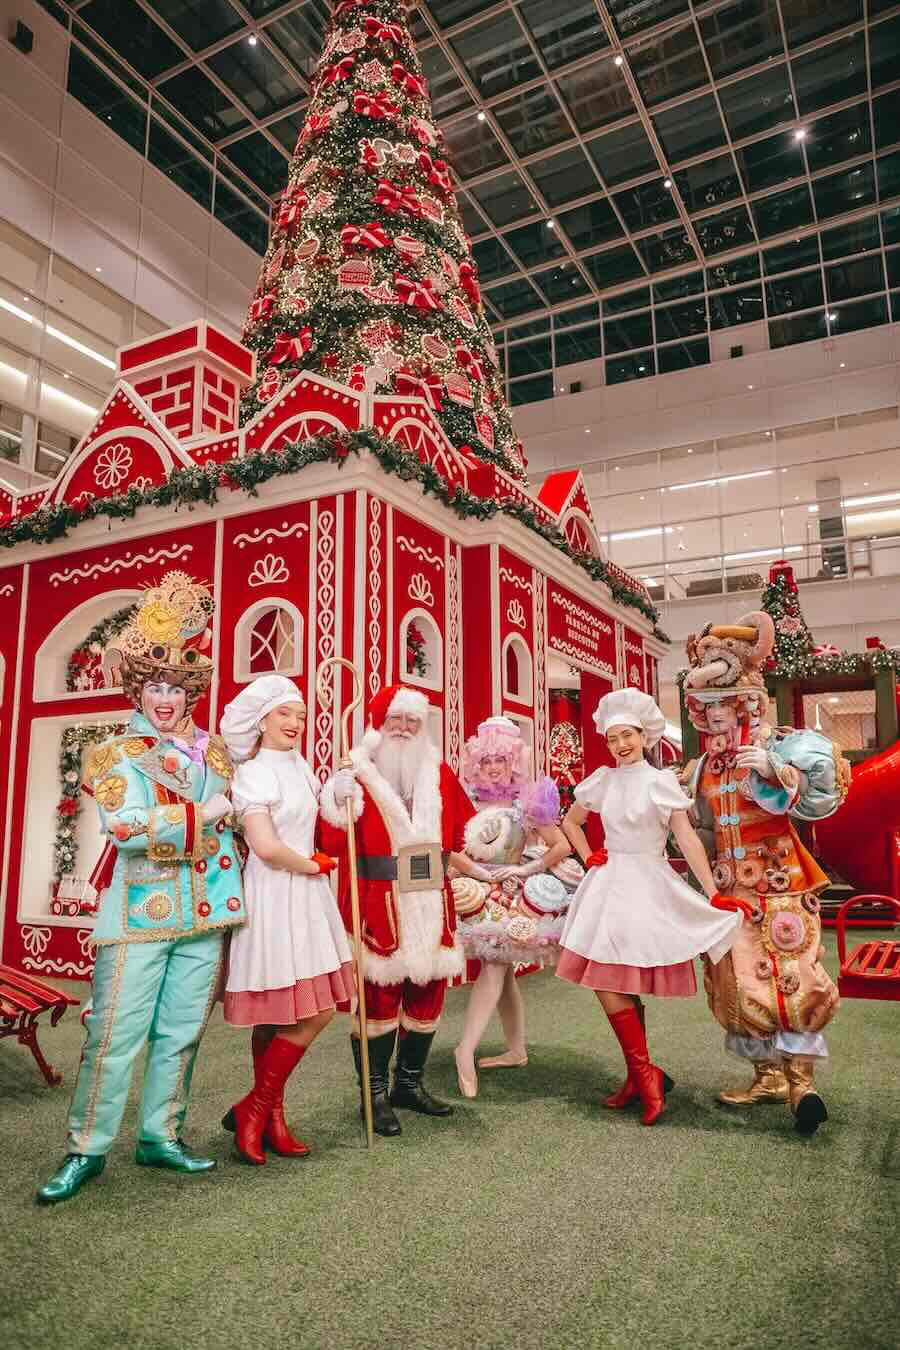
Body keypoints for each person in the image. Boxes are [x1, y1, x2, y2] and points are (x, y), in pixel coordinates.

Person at [37, 572, 246, 1204]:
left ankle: (160, 1136)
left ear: (190, 693)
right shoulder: (115, 752)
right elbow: (123, 827)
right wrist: (201, 817)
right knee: (113, 1036)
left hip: (205, 908)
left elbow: (238, 817)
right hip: (137, 911)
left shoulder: (215, 755)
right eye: (154, 685)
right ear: (138, 687)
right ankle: (86, 1148)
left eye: (175, 687)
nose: (164, 698)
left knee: (181, 1031)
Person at [682, 607, 848, 1134]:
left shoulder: (778, 748)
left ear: (744, 703)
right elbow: (705, 829)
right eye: (705, 710)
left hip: (782, 884)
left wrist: (780, 772)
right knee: (736, 982)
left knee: (791, 977)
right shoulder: (702, 768)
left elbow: (816, 803)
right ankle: (766, 1076)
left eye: (721, 707)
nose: (712, 718)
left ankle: (802, 1083)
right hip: (731, 888)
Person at [558, 688, 747, 1127]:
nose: (621, 745)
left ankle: (643, 1076)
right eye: (613, 738)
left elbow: (684, 838)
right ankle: (642, 1075)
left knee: (621, 978)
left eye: (627, 735)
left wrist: (711, 892)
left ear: (644, 737)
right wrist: (589, 856)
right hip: (608, 887)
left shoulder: (661, 782)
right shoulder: (602, 780)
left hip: (648, 884)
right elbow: (570, 821)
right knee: (609, 979)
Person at [319, 684, 485, 1137]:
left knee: (427, 998)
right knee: (378, 1002)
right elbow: (331, 843)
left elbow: (462, 836)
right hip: (378, 901)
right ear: (379, 723)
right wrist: (334, 800)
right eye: (397, 720)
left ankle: (408, 1086)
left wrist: (493, 844)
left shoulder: (439, 772)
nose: (405, 729)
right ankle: (372, 1095)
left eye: (413, 721)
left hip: (431, 897)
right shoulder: (355, 774)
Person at [218, 675, 353, 1165]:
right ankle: (262, 1111)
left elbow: (318, 824)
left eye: (299, 715)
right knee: (285, 1012)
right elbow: (266, 846)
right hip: (276, 891)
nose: (295, 723)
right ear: (262, 720)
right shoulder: (254, 773)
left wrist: (339, 791)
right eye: (284, 714)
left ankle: (263, 1111)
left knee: (308, 1009)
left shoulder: (301, 767)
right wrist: (312, 865)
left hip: (306, 893)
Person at [452, 716, 571, 1098]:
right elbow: (449, 847)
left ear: (513, 762)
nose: (492, 767)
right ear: (476, 763)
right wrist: (475, 873)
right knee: (500, 967)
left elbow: (561, 845)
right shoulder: (465, 799)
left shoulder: (527, 801)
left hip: (507, 893)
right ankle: (516, 1049)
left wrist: (525, 867)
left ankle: (464, 1049)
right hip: (473, 888)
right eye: (485, 761)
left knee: (496, 963)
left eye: (500, 760)